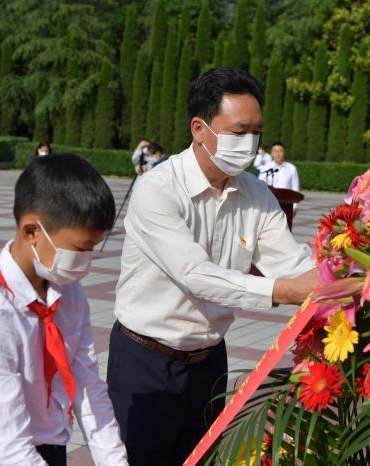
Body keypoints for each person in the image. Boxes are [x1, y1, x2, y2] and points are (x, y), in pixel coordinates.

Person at [107, 67, 318, 466]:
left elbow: (291, 264)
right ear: (199, 129)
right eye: (239, 131)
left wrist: (350, 276)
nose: (250, 143)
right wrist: (282, 292)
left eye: (256, 132)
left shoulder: (256, 194)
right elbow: (196, 275)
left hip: (209, 366)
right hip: (146, 364)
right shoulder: (157, 190)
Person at [0, 154, 129, 466]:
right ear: (32, 231)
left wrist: (114, 461)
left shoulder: (67, 292)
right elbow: (8, 446)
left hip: (48, 450)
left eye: (93, 249)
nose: (87, 260)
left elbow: (87, 386)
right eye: (80, 249)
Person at [258, 141, 301, 214]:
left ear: (284, 152)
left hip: (287, 204)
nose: (278, 154)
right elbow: (259, 187)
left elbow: (295, 187)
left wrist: (295, 206)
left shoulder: (291, 168)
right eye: (275, 151)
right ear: (271, 153)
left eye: (280, 151)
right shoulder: (265, 168)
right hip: (269, 205)